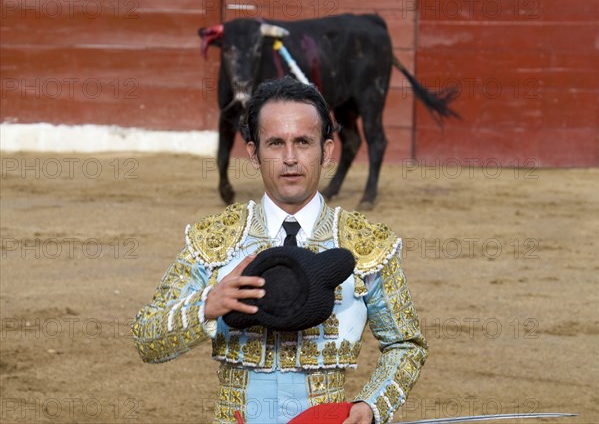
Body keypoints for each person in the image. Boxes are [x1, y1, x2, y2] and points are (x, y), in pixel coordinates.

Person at [132, 76, 428, 424]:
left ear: (327, 151)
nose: (290, 158)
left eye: (303, 142)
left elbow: (406, 344)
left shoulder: (366, 243)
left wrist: (372, 405)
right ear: (254, 154)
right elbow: (146, 338)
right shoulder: (215, 238)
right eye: (275, 143)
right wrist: (206, 306)